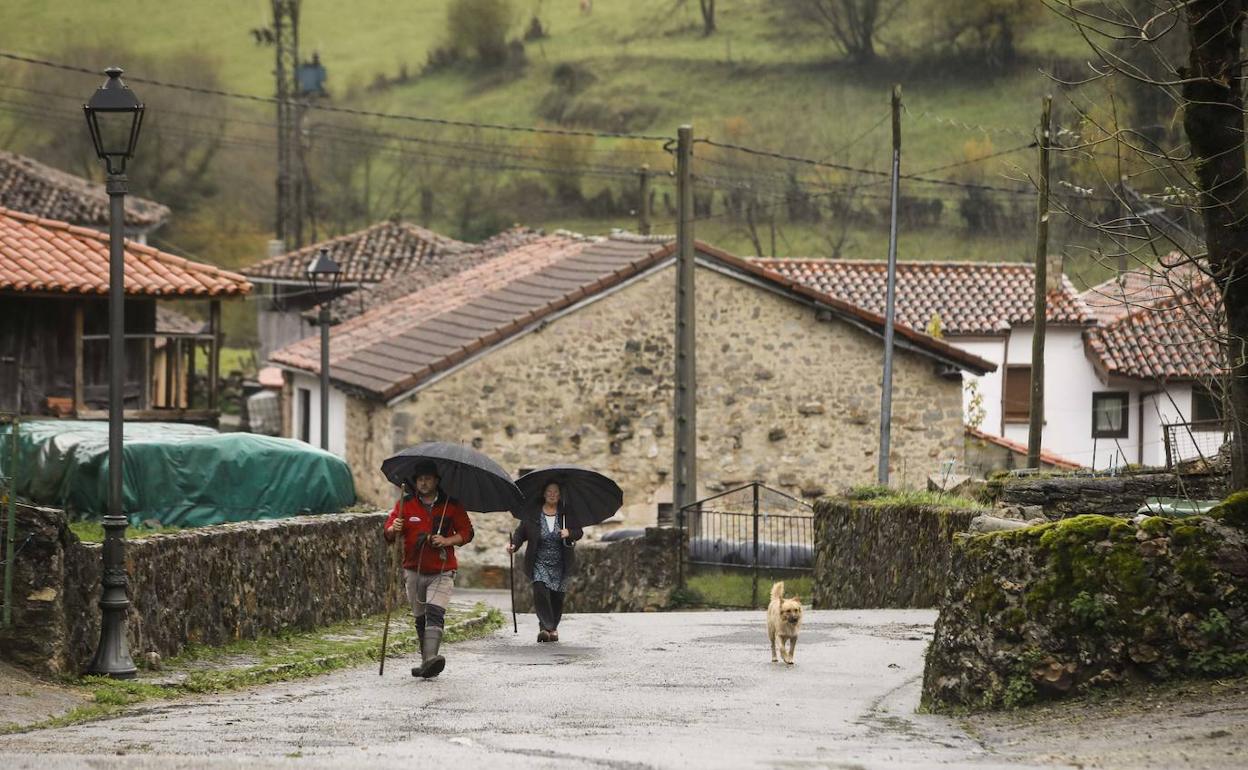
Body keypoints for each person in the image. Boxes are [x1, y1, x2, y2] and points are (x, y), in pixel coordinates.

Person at [383, 464, 474, 678]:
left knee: (435, 612)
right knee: (420, 617)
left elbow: (467, 533)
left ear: (436, 481)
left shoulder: (451, 505)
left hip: (442, 570)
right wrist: (393, 528)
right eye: (419, 479)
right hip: (413, 570)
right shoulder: (405, 504)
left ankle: (432, 658)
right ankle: (426, 662)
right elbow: (389, 534)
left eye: (428, 479)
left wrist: (446, 540)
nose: (423, 483)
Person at [506, 481, 583, 642]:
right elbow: (521, 532)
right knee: (540, 588)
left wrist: (569, 532)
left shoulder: (566, 513)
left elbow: (579, 532)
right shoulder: (533, 513)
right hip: (539, 560)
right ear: (544, 494)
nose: (552, 494)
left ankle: (552, 628)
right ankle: (546, 627)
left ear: (560, 495)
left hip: (561, 561)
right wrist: (514, 545)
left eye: (556, 492)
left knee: (557, 597)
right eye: (549, 491)